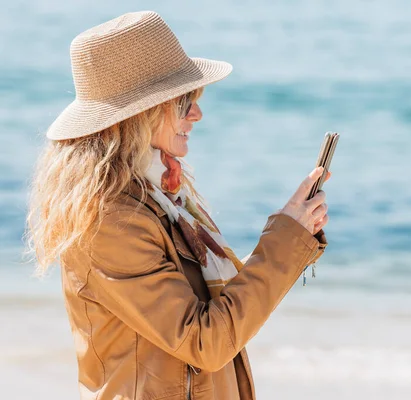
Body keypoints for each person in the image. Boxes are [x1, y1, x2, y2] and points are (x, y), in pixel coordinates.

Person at [26, 11, 329, 400]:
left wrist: (293, 231)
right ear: (140, 114)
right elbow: (207, 341)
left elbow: (226, 319)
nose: (197, 114)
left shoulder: (165, 198)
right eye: (184, 101)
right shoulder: (111, 220)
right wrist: (285, 239)